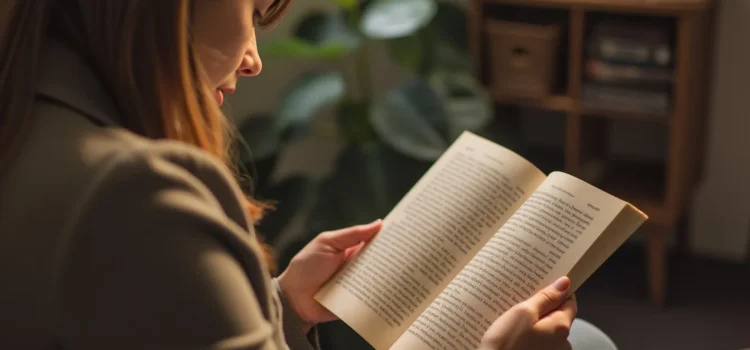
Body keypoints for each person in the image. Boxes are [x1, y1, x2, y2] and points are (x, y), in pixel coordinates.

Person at [0, 1, 612, 349]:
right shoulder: (137, 196)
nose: (254, 59)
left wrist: (282, 305)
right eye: (255, 10)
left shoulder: (27, 117)